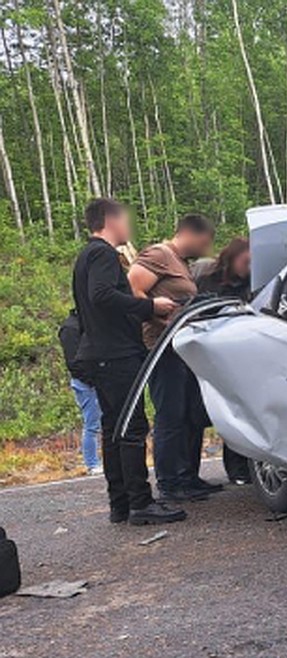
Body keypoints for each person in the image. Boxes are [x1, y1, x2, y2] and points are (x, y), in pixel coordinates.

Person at [72, 198, 185, 525]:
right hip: (116, 355)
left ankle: (120, 504)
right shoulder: (103, 254)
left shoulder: (86, 257)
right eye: (125, 219)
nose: (129, 226)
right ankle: (140, 503)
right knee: (132, 429)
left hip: (100, 355)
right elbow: (102, 296)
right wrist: (150, 307)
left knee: (113, 430)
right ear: (110, 219)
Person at [128, 214, 218, 502]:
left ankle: (188, 477)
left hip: (181, 348)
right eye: (205, 242)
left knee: (188, 413)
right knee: (169, 415)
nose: (206, 249)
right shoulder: (159, 254)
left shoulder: (180, 263)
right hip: (161, 349)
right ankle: (169, 482)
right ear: (190, 233)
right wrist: (156, 316)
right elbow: (132, 286)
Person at [191, 237, 253, 484]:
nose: (248, 268)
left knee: (237, 410)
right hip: (203, 351)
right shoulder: (206, 275)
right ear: (232, 257)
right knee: (195, 414)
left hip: (234, 355)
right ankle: (188, 475)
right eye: (245, 261)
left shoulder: (248, 284)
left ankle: (238, 469)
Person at [57, 309, 102, 474]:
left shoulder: (81, 324)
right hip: (85, 383)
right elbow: (74, 362)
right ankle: (92, 463)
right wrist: (91, 379)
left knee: (97, 423)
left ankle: (96, 461)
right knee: (92, 425)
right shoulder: (71, 328)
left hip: (91, 380)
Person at [193, 236, 252, 301]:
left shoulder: (248, 286)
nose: (249, 268)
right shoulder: (205, 268)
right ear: (233, 258)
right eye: (246, 262)